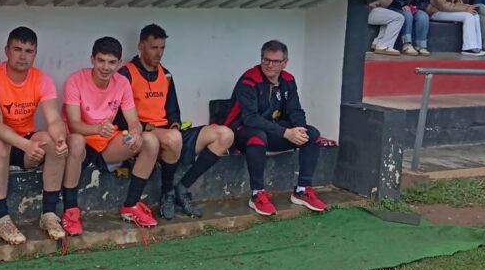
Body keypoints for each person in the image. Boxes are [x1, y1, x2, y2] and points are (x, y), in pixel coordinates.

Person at [0, 26, 85, 243]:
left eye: (29, 51)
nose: (23, 56)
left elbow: (54, 119)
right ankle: (1, 219)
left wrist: (60, 138)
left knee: (53, 143)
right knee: (0, 145)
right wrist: (26, 146)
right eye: (17, 49)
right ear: (7, 51)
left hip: (25, 138)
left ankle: (49, 214)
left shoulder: (42, 79)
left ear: (35, 53)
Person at [116, 24, 234, 220]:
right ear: (141, 46)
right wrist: (152, 129)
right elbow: (119, 117)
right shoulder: (125, 74)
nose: (159, 53)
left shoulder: (166, 74)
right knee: (173, 138)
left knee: (225, 135)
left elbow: (173, 111)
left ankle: (183, 187)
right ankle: (167, 192)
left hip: (169, 135)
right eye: (154, 47)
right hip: (144, 133)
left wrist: (175, 126)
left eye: (162, 48)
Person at [64, 37, 160, 230]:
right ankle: (70, 210)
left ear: (119, 63)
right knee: (76, 142)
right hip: (81, 143)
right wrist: (97, 129)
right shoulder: (75, 80)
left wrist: (135, 133)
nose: (105, 67)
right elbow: (73, 125)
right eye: (101, 60)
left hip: (106, 143)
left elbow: (133, 120)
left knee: (150, 141)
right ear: (92, 59)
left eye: (111, 62)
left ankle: (131, 206)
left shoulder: (122, 82)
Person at [225, 40, 327, 217]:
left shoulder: (288, 79)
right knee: (257, 137)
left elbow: (295, 110)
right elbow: (250, 118)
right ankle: (257, 194)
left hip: (272, 130)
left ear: (285, 63)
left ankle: (302, 190)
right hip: (241, 132)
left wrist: (299, 130)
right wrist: (285, 133)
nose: (270, 65)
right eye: (266, 60)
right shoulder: (249, 80)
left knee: (312, 134)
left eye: (275, 61)